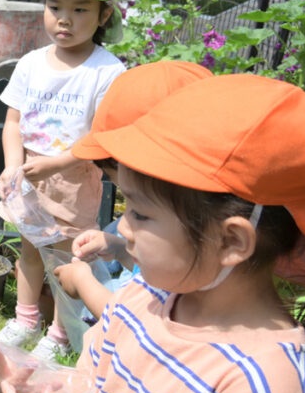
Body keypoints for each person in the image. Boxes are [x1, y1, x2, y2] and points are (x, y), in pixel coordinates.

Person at [0, 74, 305, 393]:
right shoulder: (147, 297)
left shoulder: (266, 385)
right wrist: (52, 392)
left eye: (140, 213)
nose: (123, 227)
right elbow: (100, 383)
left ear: (231, 241)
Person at [0, 0, 126, 361]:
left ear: (104, 15)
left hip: (73, 179)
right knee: (30, 250)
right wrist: (12, 165)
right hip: (29, 175)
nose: (64, 19)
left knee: (69, 259)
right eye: (55, 7)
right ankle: (26, 318)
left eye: (79, 9)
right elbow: (13, 121)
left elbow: (100, 138)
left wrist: (56, 164)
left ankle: (60, 333)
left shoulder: (107, 71)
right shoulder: (31, 63)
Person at [53, 61, 213, 319]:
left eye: (140, 213)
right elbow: (146, 274)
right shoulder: (185, 225)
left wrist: (82, 282)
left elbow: (130, 320)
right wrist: (119, 249)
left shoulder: (186, 250)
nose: (124, 226)